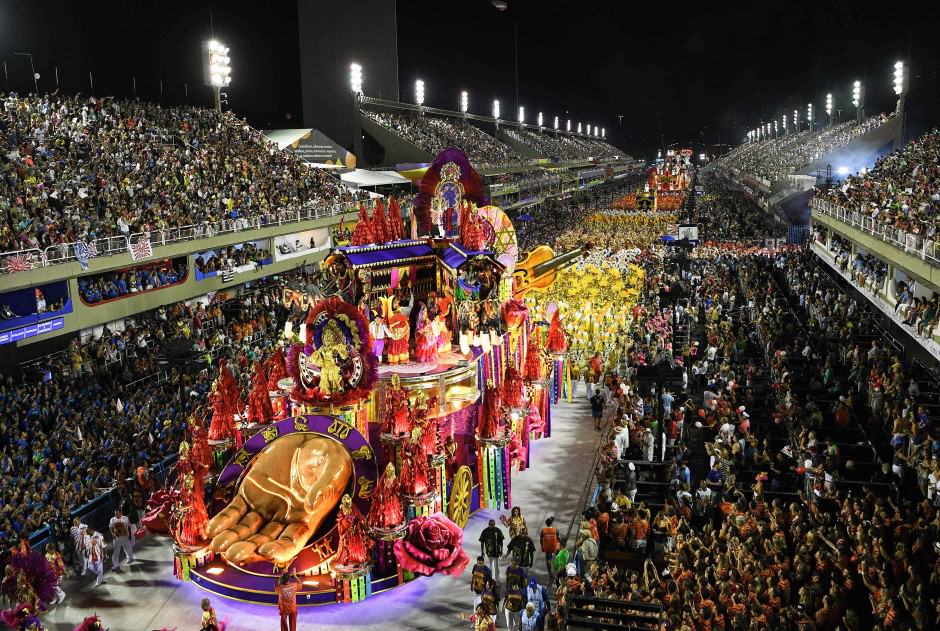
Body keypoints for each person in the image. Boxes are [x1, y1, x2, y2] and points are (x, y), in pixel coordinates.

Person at [275, 567, 302, 631]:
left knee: (283, 623)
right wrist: (295, 575)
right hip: (292, 608)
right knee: (293, 624)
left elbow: (276, 585)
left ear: (282, 579)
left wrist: (282, 575)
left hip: (284, 609)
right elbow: (300, 584)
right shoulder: (294, 585)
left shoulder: (280, 588)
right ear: (289, 579)